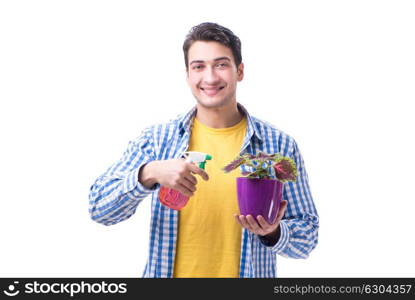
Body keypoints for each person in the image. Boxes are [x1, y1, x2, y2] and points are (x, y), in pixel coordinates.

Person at [89, 22, 319, 278]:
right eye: (199, 66)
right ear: (188, 74)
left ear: (239, 71)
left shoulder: (279, 146)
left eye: (221, 65)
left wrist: (273, 233)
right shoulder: (157, 141)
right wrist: (149, 173)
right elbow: (99, 208)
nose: (210, 78)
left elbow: (307, 237)